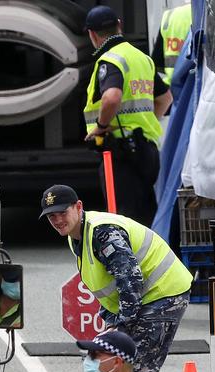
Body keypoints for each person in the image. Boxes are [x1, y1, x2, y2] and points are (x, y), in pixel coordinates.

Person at [40, 184, 191, 372]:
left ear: (78, 206)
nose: (58, 220)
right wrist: (112, 321)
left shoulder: (102, 232)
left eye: (62, 213)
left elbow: (130, 278)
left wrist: (121, 325)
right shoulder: (75, 236)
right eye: (51, 217)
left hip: (163, 293)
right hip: (147, 295)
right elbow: (107, 285)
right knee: (126, 370)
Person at [82, 5, 173, 226]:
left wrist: (101, 126)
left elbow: (111, 97)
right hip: (146, 151)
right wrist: (145, 121)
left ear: (92, 34)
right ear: (119, 25)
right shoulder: (142, 58)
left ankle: (127, 262)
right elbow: (165, 98)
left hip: (121, 153)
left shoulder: (110, 61)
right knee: (145, 220)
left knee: (122, 222)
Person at [152, 3, 193, 87]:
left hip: (171, 88)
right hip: (195, 88)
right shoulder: (206, 14)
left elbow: (157, 61)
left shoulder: (170, 15)